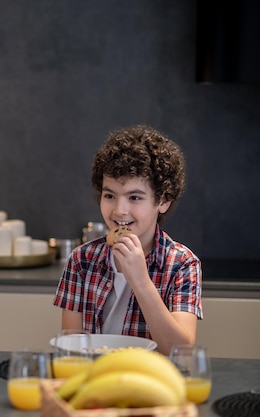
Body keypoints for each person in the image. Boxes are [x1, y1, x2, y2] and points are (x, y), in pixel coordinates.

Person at [53, 125, 203, 355]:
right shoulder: (81, 260)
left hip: (152, 384)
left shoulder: (182, 264)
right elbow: (70, 352)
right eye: (109, 195)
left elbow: (182, 352)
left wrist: (140, 281)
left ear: (163, 201)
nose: (120, 210)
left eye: (134, 197)